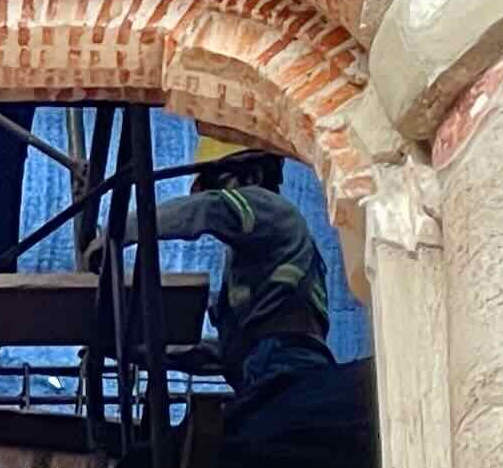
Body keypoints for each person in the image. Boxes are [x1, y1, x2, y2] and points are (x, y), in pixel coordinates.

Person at [87, 136, 334, 413]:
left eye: (218, 182)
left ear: (254, 174)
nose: (214, 193)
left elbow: (207, 208)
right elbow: (220, 355)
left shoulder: (273, 211)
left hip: (286, 364)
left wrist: (117, 234)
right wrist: (137, 352)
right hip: (270, 364)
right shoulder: (257, 265)